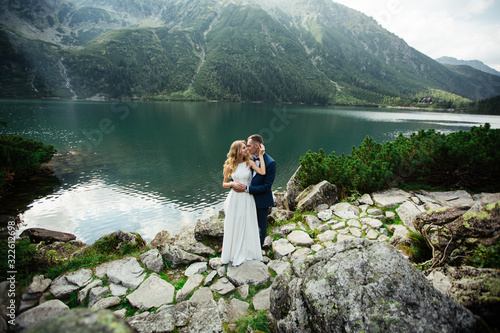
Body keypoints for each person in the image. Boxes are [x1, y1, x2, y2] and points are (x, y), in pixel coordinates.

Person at [221, 139, 266, 266]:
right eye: (243, 147)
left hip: (247, 198)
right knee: (236, 223)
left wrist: (261, 155)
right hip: (235, 199)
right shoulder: (230, 165)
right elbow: (224, 183)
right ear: (237, 151)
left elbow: (262, 171)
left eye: (246, 146)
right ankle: (234, 252)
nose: (246, 149)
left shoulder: (249, 163)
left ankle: (249, 252)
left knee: (248, 223)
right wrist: (232, 183)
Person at [233, 134, 276, 247]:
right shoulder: (248, 158)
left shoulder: (270, 163)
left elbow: (266, 186)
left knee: (261, 228)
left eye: (249, 146)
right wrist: (233, 183)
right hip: (246, 200)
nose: (247, 148)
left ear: (257, 146)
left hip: (261, 201)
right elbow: (237, 170)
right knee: (246, 226)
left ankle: (258, 251)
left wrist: (247, 189)